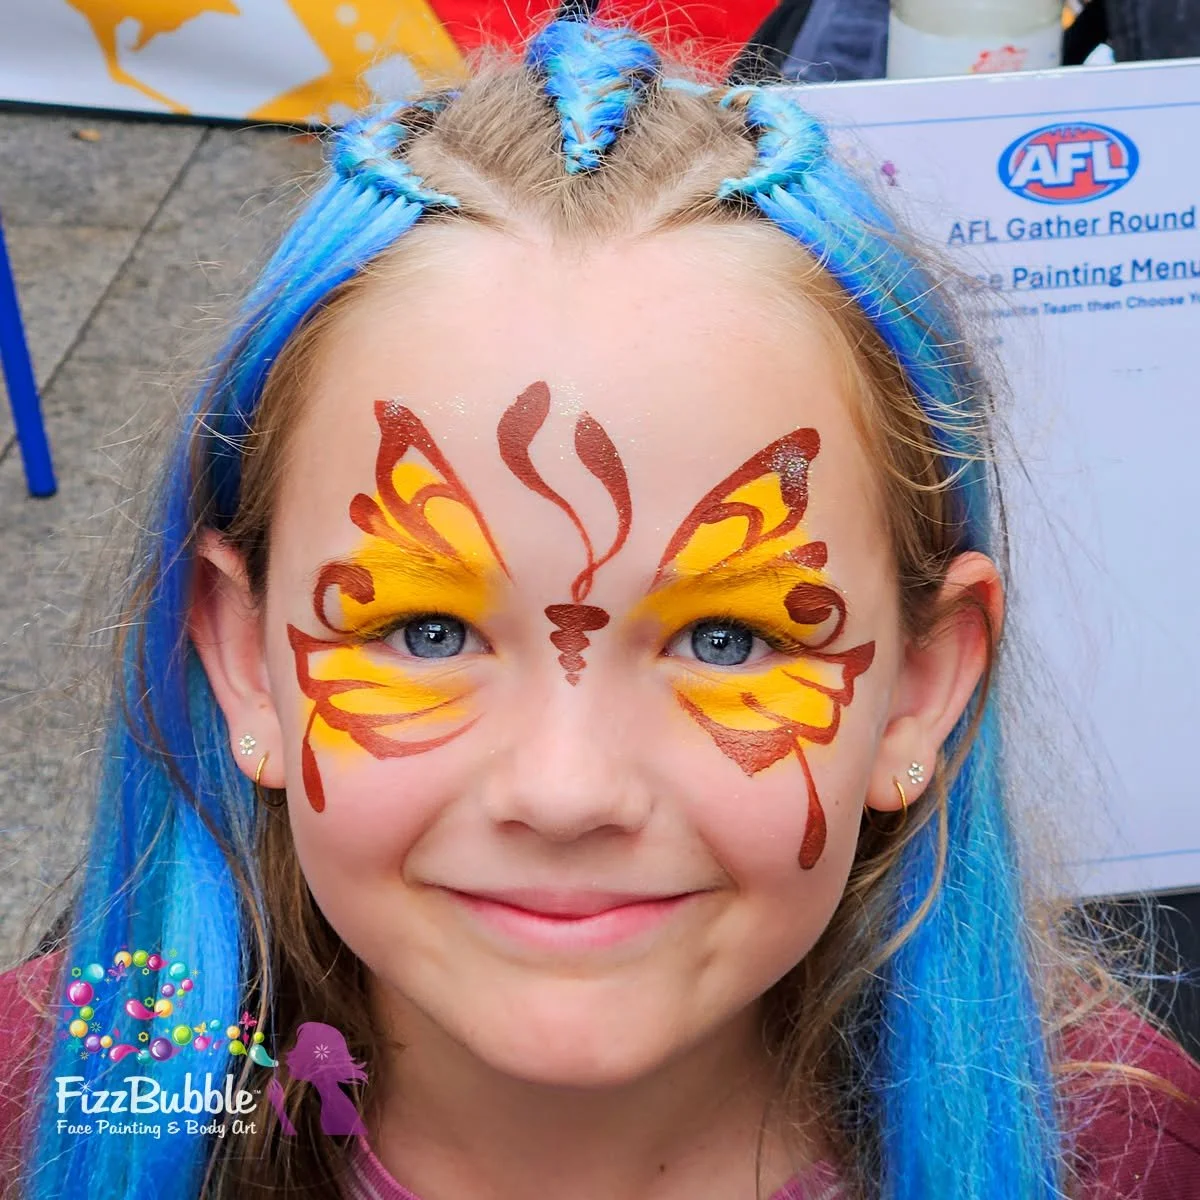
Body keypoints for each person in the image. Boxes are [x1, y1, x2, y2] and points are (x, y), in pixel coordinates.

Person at [2, 12, 1199, 1200]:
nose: (567, 791)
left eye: (728, 639)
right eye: (426, 631)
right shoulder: (38, 1096)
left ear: (921, 686)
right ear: (244, 657)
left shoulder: (1132, 1155)